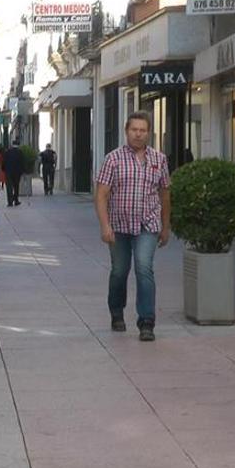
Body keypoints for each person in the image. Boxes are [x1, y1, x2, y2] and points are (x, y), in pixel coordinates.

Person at [95, 111, 170, 342]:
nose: (138, 134)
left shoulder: (159, 160)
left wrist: (165, 226)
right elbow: (101, 195)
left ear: (149, 133)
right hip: (118, 226)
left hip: (148, 224)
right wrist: (105, 225)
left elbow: (165, 194)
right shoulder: (113, 159)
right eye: (134, 130)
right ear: (126, 131)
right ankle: (116, 311)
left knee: (144, 268)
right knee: (119, 271)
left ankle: (146, 321)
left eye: (143, 130)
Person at [3, 140, 24, 207]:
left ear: (12, 144)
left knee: (9, 187)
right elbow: (22, 162)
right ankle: (16, 200)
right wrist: (22, 171)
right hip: (17, 172)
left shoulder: (8, 152)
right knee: (16, 186)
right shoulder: (20, 152)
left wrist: (4, 169)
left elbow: (4, 161)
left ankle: (10, 202)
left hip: (9, 172)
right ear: (18, 145)